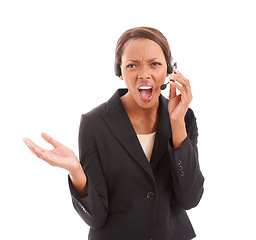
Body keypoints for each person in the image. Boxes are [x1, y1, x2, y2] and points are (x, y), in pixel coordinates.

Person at [23, 27, 204, 240]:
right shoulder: (94, 123)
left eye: (155, 64)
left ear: (170, 69)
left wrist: (176, 123)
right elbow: (96, 218)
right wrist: (76, 172)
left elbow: (190, 199)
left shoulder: (184, 118)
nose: (144, 74)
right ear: (119, 72)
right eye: (132, 65)